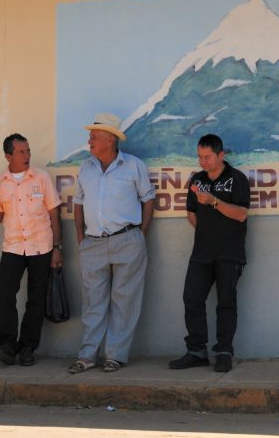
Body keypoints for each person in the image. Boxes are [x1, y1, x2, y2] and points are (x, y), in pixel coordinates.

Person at [68, 113, 155, 374]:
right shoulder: (86, 168)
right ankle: (87, 355)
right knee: (93, 302)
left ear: (110, 140)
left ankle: (114, 355)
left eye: (94, 137)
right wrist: (81, 239)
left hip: (127, 239)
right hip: (93, 243)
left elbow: (148, 199)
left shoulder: (133, 166)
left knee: (124, 301)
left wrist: (140, 233)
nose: (89, 141)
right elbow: (79, 203)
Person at [0, 133, 62, 366]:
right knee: (4, 295)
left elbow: (54, 213)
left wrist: (57, 248)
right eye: (22, 152)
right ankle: (7, 344)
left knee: (36, 298)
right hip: (13, 246)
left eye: (28, 151)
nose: (27, 155)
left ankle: (27, 347)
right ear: (8, 156)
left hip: (41, 246)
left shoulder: (41, 177)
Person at [169, 134, 250, 373]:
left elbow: (241, 214)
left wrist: (214, 201)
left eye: (207, 157)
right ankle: (196, 351)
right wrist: (207, 232)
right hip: (201, 253)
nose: (203, 162)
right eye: (199, 157)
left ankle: (224, 352)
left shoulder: (237, 179)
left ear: (221, 155)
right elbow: (191, 213)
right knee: (192, 299)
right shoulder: (197, 180)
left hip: (230, 253)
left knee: (226, 303)